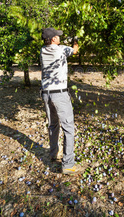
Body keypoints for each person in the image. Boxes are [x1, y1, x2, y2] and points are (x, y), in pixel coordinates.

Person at [40, 27, 81, 174]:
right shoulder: (61, 49)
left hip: (46, 94)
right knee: (68, 128)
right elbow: (75, 51)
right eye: (57, 36)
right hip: (59, 94)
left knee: (53, 125)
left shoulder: (42, 51)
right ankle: (68, 164)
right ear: (53, 40)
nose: (59, 37)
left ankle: (53, 154)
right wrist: (75, 39)